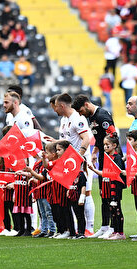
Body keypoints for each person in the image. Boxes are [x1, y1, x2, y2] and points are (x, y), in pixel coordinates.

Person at [71, 94, 117, 239]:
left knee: (111, 193)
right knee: (103, 192)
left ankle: (114, 228)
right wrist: (95, 152)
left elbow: (113, 136)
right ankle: (104, 227)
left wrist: (109, 156)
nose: (79, 114)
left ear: (86, 104)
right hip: (102, 156)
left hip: (110, 158)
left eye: (80, 111)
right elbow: (98, 138)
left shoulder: (103, 116)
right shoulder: (90, 117)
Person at [53, 93, 95, 236]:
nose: (55, 110)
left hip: (80, 162)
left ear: (62, 106)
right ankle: (76, 228)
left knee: (86, 193)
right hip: (69, 163)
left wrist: (79, 156)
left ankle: (89, 227)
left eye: (56, 107)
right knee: (71, 195)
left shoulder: (78, 119)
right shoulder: (64, 120)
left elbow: (86, 138)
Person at [88, 136, 126, 240]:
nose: (105, 147)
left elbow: (116, 173)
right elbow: (105, 174)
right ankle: (114, 231)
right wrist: (94, 169)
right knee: (112, 209)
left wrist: (96, 171)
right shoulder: (106, 157)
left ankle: (120, 233)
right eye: (104, 145)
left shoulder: (117, 158)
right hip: (108, 187)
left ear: (114, 145)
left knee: (117, 209)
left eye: (107, 145)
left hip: (115, 188)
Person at [56, 140, 87, 239]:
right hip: (71, 196)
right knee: (69, 213)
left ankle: (81, 232)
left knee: (79, 215)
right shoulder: (70, 173)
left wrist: (82, 196)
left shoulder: (81, 174)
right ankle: (73, 232)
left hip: (78, 196)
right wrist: (69, 190)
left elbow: (83, 185)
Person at [24, 153, 56, 238]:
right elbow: (37, 178)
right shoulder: (37, 164)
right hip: (39, 193)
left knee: (48, 212)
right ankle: (44, 230)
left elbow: (42, 178)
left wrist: (31, 173)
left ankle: (52, 230)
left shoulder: (44, 165)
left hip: (45, 193)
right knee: (42, 213)